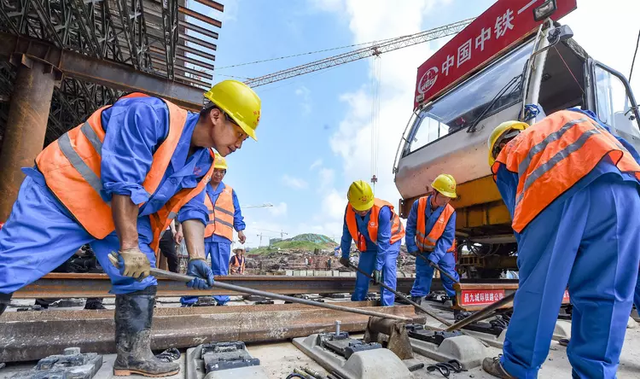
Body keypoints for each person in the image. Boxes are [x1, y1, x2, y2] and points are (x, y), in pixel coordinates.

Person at [0, 80, 261, 377]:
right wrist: (129, 246)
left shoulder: (203, 161)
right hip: (66, 192)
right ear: (216, 115)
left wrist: (198, 258)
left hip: (119, 215)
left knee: (140, 277)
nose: (239, 143)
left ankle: (132, 355)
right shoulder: (150, 114)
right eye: (239, 133)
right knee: (8, 265)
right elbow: (123, 180)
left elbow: (192, 208)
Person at [482, 109, 640, 379]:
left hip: (555, 189)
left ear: (497, 148)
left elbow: (520, 220)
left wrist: (539, 269)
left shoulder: (508, 155)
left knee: (538, 290)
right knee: (606, 293)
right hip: (625, 190)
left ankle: (517, 366)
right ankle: (595, 372)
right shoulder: (568, 117)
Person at [180, 153, 246, 306]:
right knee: (196, 267)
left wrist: (240, 230)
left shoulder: (230, 191)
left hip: (222, 236)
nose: (218, 174)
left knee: (221, 270)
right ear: (210, 170)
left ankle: (221, 300)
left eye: (222, 171)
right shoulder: (200, 187)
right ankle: (189, 300)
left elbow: (236, 212)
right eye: (216, 170)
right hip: (202, 235)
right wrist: (181, 230)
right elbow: (189, 209)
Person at [338, 180, 405, 306]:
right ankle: (357, 303)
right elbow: (346, 233)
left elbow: (384, 241)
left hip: (390, 241)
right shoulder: (349, 210)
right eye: (360, 209)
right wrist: (345, 255)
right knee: (363, 270)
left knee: (387, 268)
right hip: (369, 243)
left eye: (366, 209)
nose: (363, 212)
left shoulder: (382, 211)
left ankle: (387, 307)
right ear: (352, 204)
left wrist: (378, 267)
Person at [405, 174, 460, 313]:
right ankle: (416, 303)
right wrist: (411, 246)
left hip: (444, 251)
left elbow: (447, 238)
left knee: (449, 276)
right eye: (443, 196)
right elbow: (410, 226)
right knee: (422, 275)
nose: (446, 200)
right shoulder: (419, 204)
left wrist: (435, 256)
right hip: (423, 249)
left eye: (449, 197)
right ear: (433, 193)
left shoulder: (450, 212)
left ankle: (459, 305)